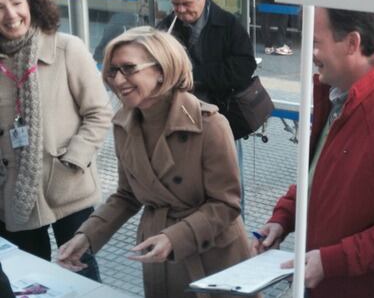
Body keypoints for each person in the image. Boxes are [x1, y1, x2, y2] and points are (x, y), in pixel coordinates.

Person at [254, 8, 374, 298]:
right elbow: (319, 177)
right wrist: (283, 218)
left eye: (316, 43)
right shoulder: (337, 97)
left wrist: (332, 262)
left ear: (352, 43)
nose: (309, 54)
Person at [56, 27, 251, 298]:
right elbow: (127, 195)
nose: (117, 79)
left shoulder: (210, 125)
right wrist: (87, 236)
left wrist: (175, 237)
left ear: (161, 69)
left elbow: (226, 205)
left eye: (128, 68)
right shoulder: (123, 123)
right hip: (160, 256)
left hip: (214, 258)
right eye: (112, 71)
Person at [0, 0, 111, 281]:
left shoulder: (67, 48)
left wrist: (74, 159)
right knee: (28, 279)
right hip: (11, 195)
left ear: (31, 3)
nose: (10, 14)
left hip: (68, 187)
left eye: (16, 3)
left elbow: (99, 112)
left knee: (81, 276)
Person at [156, 0, 256, 140]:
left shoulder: (228, 24)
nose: (179, 10)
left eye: (186, 4)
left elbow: (245, 66)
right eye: (175, 4)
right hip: (178, 119)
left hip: (221, 118)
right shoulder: (166, 27)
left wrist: (195, 76)